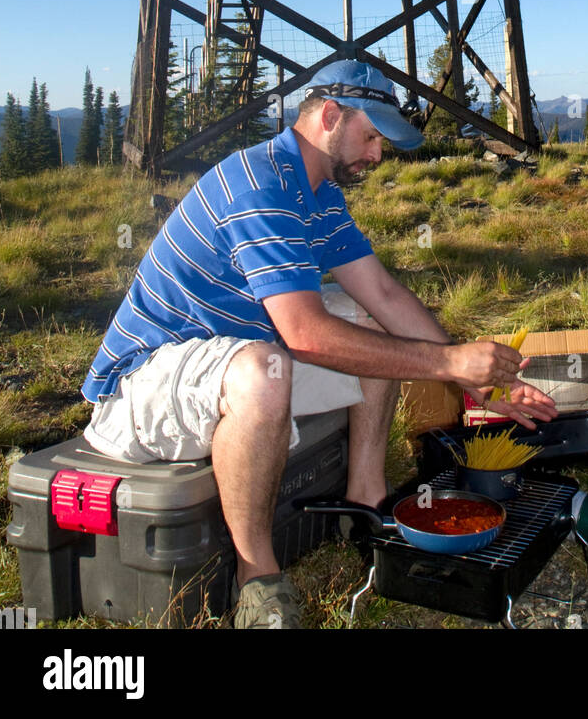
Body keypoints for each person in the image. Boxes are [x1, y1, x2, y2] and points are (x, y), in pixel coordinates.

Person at [80, 60, 557, 628]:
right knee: (265, 370)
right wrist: (448, 360)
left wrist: (476, 381)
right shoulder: (260, 184)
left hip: (230, 352)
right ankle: (257, 580)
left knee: (367, 324)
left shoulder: (319, 193)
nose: (377, 154)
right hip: (139, 388)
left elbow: (381, 292)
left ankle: (365, 502)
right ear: (330, 116)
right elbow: (305, 334)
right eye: (371, 135)